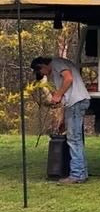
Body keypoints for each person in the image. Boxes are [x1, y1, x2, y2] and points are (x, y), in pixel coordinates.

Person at [31, 55, 90, 184]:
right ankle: (82, 172)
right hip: (75, 103)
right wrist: (63, 118)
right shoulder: (60, 64)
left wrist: (57, 94)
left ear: (42, 66)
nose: (43, 75)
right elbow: (66, 94)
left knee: (74, 139)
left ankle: (77, 174)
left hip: (77, 102)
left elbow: (68, 78)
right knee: (77, 139)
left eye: (41, 72)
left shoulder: (56, 63)